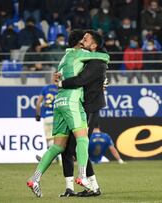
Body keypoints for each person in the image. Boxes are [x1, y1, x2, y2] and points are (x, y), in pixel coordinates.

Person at [26, 30, 109, 198]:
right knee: (83, 138)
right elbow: (104, 57)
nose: (85, 41)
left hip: (59, 102)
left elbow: (61, 77)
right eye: (83, 39)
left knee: (58, 146)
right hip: (72, 101)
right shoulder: (82, 53)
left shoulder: (64, 58)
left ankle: (35, 179)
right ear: (79, 43)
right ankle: (83, 177)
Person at [55, 30, 110, 197]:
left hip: (90, 108)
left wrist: (61, 83)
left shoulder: (96, 62)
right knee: (73, 148)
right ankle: (77, 187)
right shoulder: (88, 58)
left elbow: (81, 80)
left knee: (76, 147)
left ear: (93, 45)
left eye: (86, 39)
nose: (82, 41)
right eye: (82, 38)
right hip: (80, 106)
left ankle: (91, 186)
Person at [35, 84, 59, 164]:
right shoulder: (61, 88)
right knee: (59, 138)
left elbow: (38, 102)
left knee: (49, 139)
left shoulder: (46, 88)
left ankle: (49, 159)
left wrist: (38, 114)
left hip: (48, 117)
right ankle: (55, 158)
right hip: (57, 117)